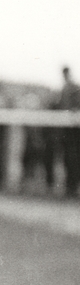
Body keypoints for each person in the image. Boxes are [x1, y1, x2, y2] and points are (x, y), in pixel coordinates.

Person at [59, 66, 80, 198]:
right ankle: (69, 186)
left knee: (73, 157)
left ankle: (73, 186)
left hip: (74, 129)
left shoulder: (73, 87)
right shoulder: (65, 88)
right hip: (66, 128)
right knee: (68, 157)